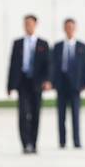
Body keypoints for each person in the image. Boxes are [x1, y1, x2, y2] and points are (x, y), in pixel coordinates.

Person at [7, 14, 51, 154]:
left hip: (37, 83)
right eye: (26, 23)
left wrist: (47, 81)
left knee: (36, 113)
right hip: (22, 83)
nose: (28, 26)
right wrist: (9, 85)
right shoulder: (18, 43)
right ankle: (25, 143)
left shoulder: (43, 44)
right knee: (23, 114)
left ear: (35, 25)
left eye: (31, 23)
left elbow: (48, 65)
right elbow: (12, 65)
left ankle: (33, 142)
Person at [51, 18, 85, 148]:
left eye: (72, 27)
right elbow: (53, 66)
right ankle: (62, 141)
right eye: (67, 27)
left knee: (75, 115)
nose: (69, 29)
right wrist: (52, 82)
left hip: (75, 86)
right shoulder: (57, 46)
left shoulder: (81, 47)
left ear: (75, 28)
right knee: (61, 115)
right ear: (64, 28)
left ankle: (77, 141)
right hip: (61, 85)